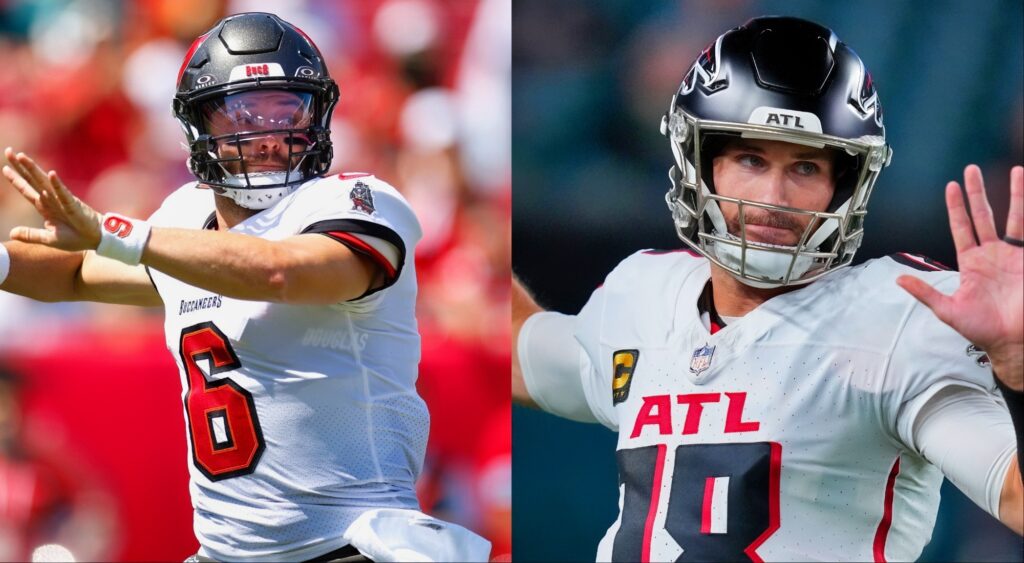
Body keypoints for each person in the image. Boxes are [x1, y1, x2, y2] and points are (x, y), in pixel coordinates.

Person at [512, 16, 1022, 562]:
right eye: (751, 159)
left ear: (843, 186)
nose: (775, 196)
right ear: (701, 164)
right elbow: (517, 353)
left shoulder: (895, 318)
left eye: (805, 166)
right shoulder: (643, 295)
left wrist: (1017, 368)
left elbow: (1014, 493)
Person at [0, 12, 489, 563]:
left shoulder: (357, 202)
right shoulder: (184, 219)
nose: (269, 135)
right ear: (198, 125)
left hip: (354, 545)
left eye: (289, 109)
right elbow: (73, 273)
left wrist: (123, 233)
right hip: (224, 553)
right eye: (244, 113)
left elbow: (281, 271)